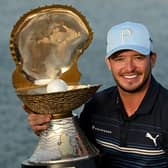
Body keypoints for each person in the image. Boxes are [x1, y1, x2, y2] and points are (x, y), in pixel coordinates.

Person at [24, 21, 168, 167]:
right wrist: (49, 126)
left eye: (138, 57)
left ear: (152, 59)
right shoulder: (97, 105)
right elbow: (74, 153)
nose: (129, 67)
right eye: (120, 59)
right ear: (109, 63)